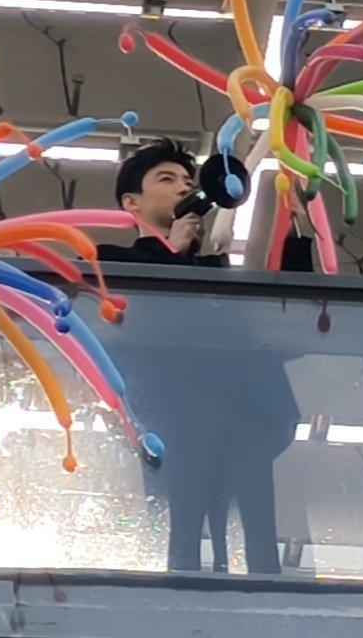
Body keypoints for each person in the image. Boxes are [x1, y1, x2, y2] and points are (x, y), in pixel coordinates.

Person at [98, 139, 314, 574]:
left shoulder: (218, 273)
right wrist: (169, 253)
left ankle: (262, 585)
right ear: (131, 203)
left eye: (187, 180)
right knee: (182, 528)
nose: (183, 187)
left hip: (247, 416)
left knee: (258, 529)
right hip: (172, 418)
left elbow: (284, 324)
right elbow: (129, 328)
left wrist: (296, 233)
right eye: (166, 179)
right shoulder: (110, 262)